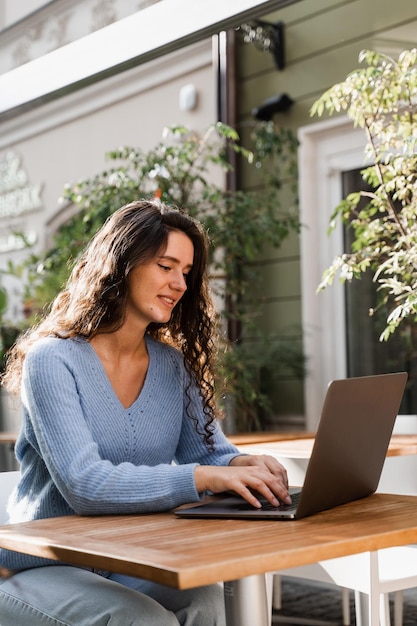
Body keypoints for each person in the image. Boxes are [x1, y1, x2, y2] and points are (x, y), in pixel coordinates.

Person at [0, 200, 291, 626]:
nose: (179, 284)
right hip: (40, 563)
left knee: (208, 599)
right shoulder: (53, 361)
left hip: (126, 556)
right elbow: (84, 484)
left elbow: (208, 452)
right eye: (165, 266)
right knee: (143, 620)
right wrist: (204, 478)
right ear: (122, 264)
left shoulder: (172, 365)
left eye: (186, 273)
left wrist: (241, 463)